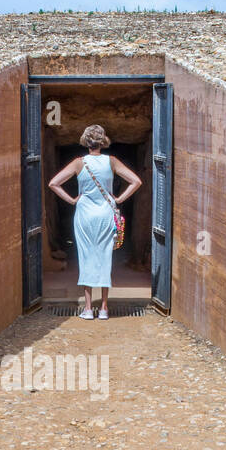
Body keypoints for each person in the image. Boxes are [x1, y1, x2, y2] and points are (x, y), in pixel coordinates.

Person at [47, 124, 142, 320]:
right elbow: (136, 181)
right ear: (102, 141)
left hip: (84, 215)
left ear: (85, 142)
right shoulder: (112, 161)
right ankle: (105, 308)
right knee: (105, 258)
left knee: (86, 258)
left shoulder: (78, 163)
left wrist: (73, 200)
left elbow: (53, 183)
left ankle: (88, 309)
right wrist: (119, 199)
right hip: (106, 213)